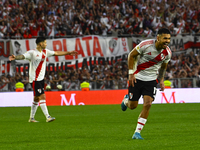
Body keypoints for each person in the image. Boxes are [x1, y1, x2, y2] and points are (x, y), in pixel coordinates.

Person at [9, 37, 78, 123]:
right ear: (40, 44)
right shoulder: (32, 53)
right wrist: (15, 57)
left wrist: (68, 53)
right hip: (35, 79)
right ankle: (48, 117)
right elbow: (23, 56)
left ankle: (31, 118)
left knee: (36, 99)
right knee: (42, 96)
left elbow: (56, 53)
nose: (46, 44)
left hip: (41, 79)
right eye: (45, 43)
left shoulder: (45, 52)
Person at [121, 28, 172, 139]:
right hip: (137, 78)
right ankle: (126, 101)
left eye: (168, 39)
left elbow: (163, 67)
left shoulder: (167, 53)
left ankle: (137, 133)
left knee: (148, 104)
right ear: (158, 38)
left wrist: (161, 80)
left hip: (151, 81)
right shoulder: (146, 45)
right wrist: (131, 74)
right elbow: (131, 55)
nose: (167, 41)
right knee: (132, 106)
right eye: (165, 38)